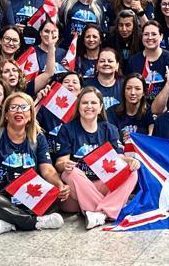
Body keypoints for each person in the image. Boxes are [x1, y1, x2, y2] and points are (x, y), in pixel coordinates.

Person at [0, 92, 67, 234]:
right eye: (13, 107)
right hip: (0, 195)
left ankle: (11, 223)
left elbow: (47, 169)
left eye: (24, 107)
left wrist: (59, 185)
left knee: (54, 196)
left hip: (26, 196)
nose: (18, 111)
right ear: (6, 114)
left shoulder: (38, 138)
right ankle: (33, 223)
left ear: (30, 115)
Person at [54, 87, 138, 228]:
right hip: (78, 188)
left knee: (132, 171)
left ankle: (99, 214)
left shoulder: (109, 129)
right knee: (70, 173)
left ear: (100, 108)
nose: (89, 106)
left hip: (103, 184)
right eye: (85, 103)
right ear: (78, 106)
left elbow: (118, 159)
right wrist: (64, 165)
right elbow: (59, 163)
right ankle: (109, 209)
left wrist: (130, 161)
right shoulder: (67, 129)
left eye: (93, 103)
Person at [108, 73, 155, 139]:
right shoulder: (111, 112)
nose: (132, 92)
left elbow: (151, 138)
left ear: (144, 92)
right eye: (128, 88)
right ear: (123, 91)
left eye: (137, 89)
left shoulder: (149, 112)